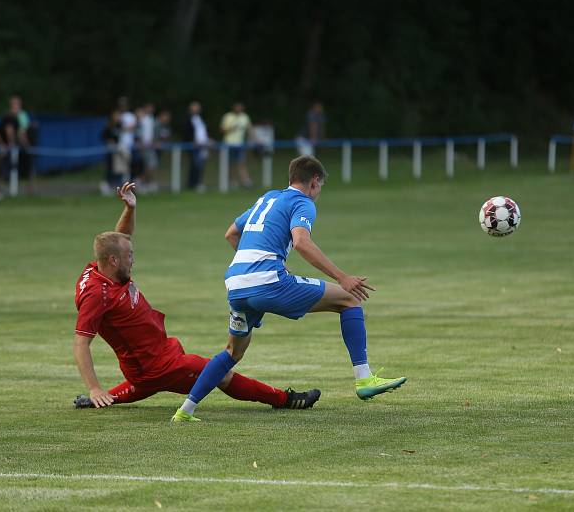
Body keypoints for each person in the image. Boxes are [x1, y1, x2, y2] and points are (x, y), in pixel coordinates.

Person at [172, 156, 405, 422]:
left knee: (232, 352)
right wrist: (342, 277)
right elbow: (302, 243)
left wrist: (255, 266)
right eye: (320, 187)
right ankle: (364, 380)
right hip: (268, 281)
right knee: (349, 299)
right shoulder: (301, 202)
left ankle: (186, 410)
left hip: (235, 284)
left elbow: (231, 234)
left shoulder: (267, 198)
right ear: (314, 181)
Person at [73, 182, 321, 412]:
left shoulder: (104, 267)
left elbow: (121, 241)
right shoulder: (97, 294)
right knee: (221, 374)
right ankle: (286, 399)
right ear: (113, 261)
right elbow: (81, 343)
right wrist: (94, 387)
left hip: (156, 356)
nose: (133, 260)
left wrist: (130, 208)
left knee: (148, 383)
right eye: (129, 256)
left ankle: (105, 400)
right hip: (154, 365)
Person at [220, 102, 253, 189]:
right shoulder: (228, 116)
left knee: (241, 163)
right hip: (228, 144)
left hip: (240, 144)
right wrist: (232, 128)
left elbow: (249, 129)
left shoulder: (245, 117)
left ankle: (246, 182)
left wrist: (253, 140)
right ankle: (232, 182)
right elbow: (222, 130)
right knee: (230, 164)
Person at [182, 100, 209, 192]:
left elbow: (202, 132)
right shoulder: (188, 119)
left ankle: (196, 183)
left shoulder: (200, 119)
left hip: (202, 146)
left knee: (200, 165)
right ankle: (193, 184)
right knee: (195, 165)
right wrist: (192, 141)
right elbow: (186, 133)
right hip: (193, 146)